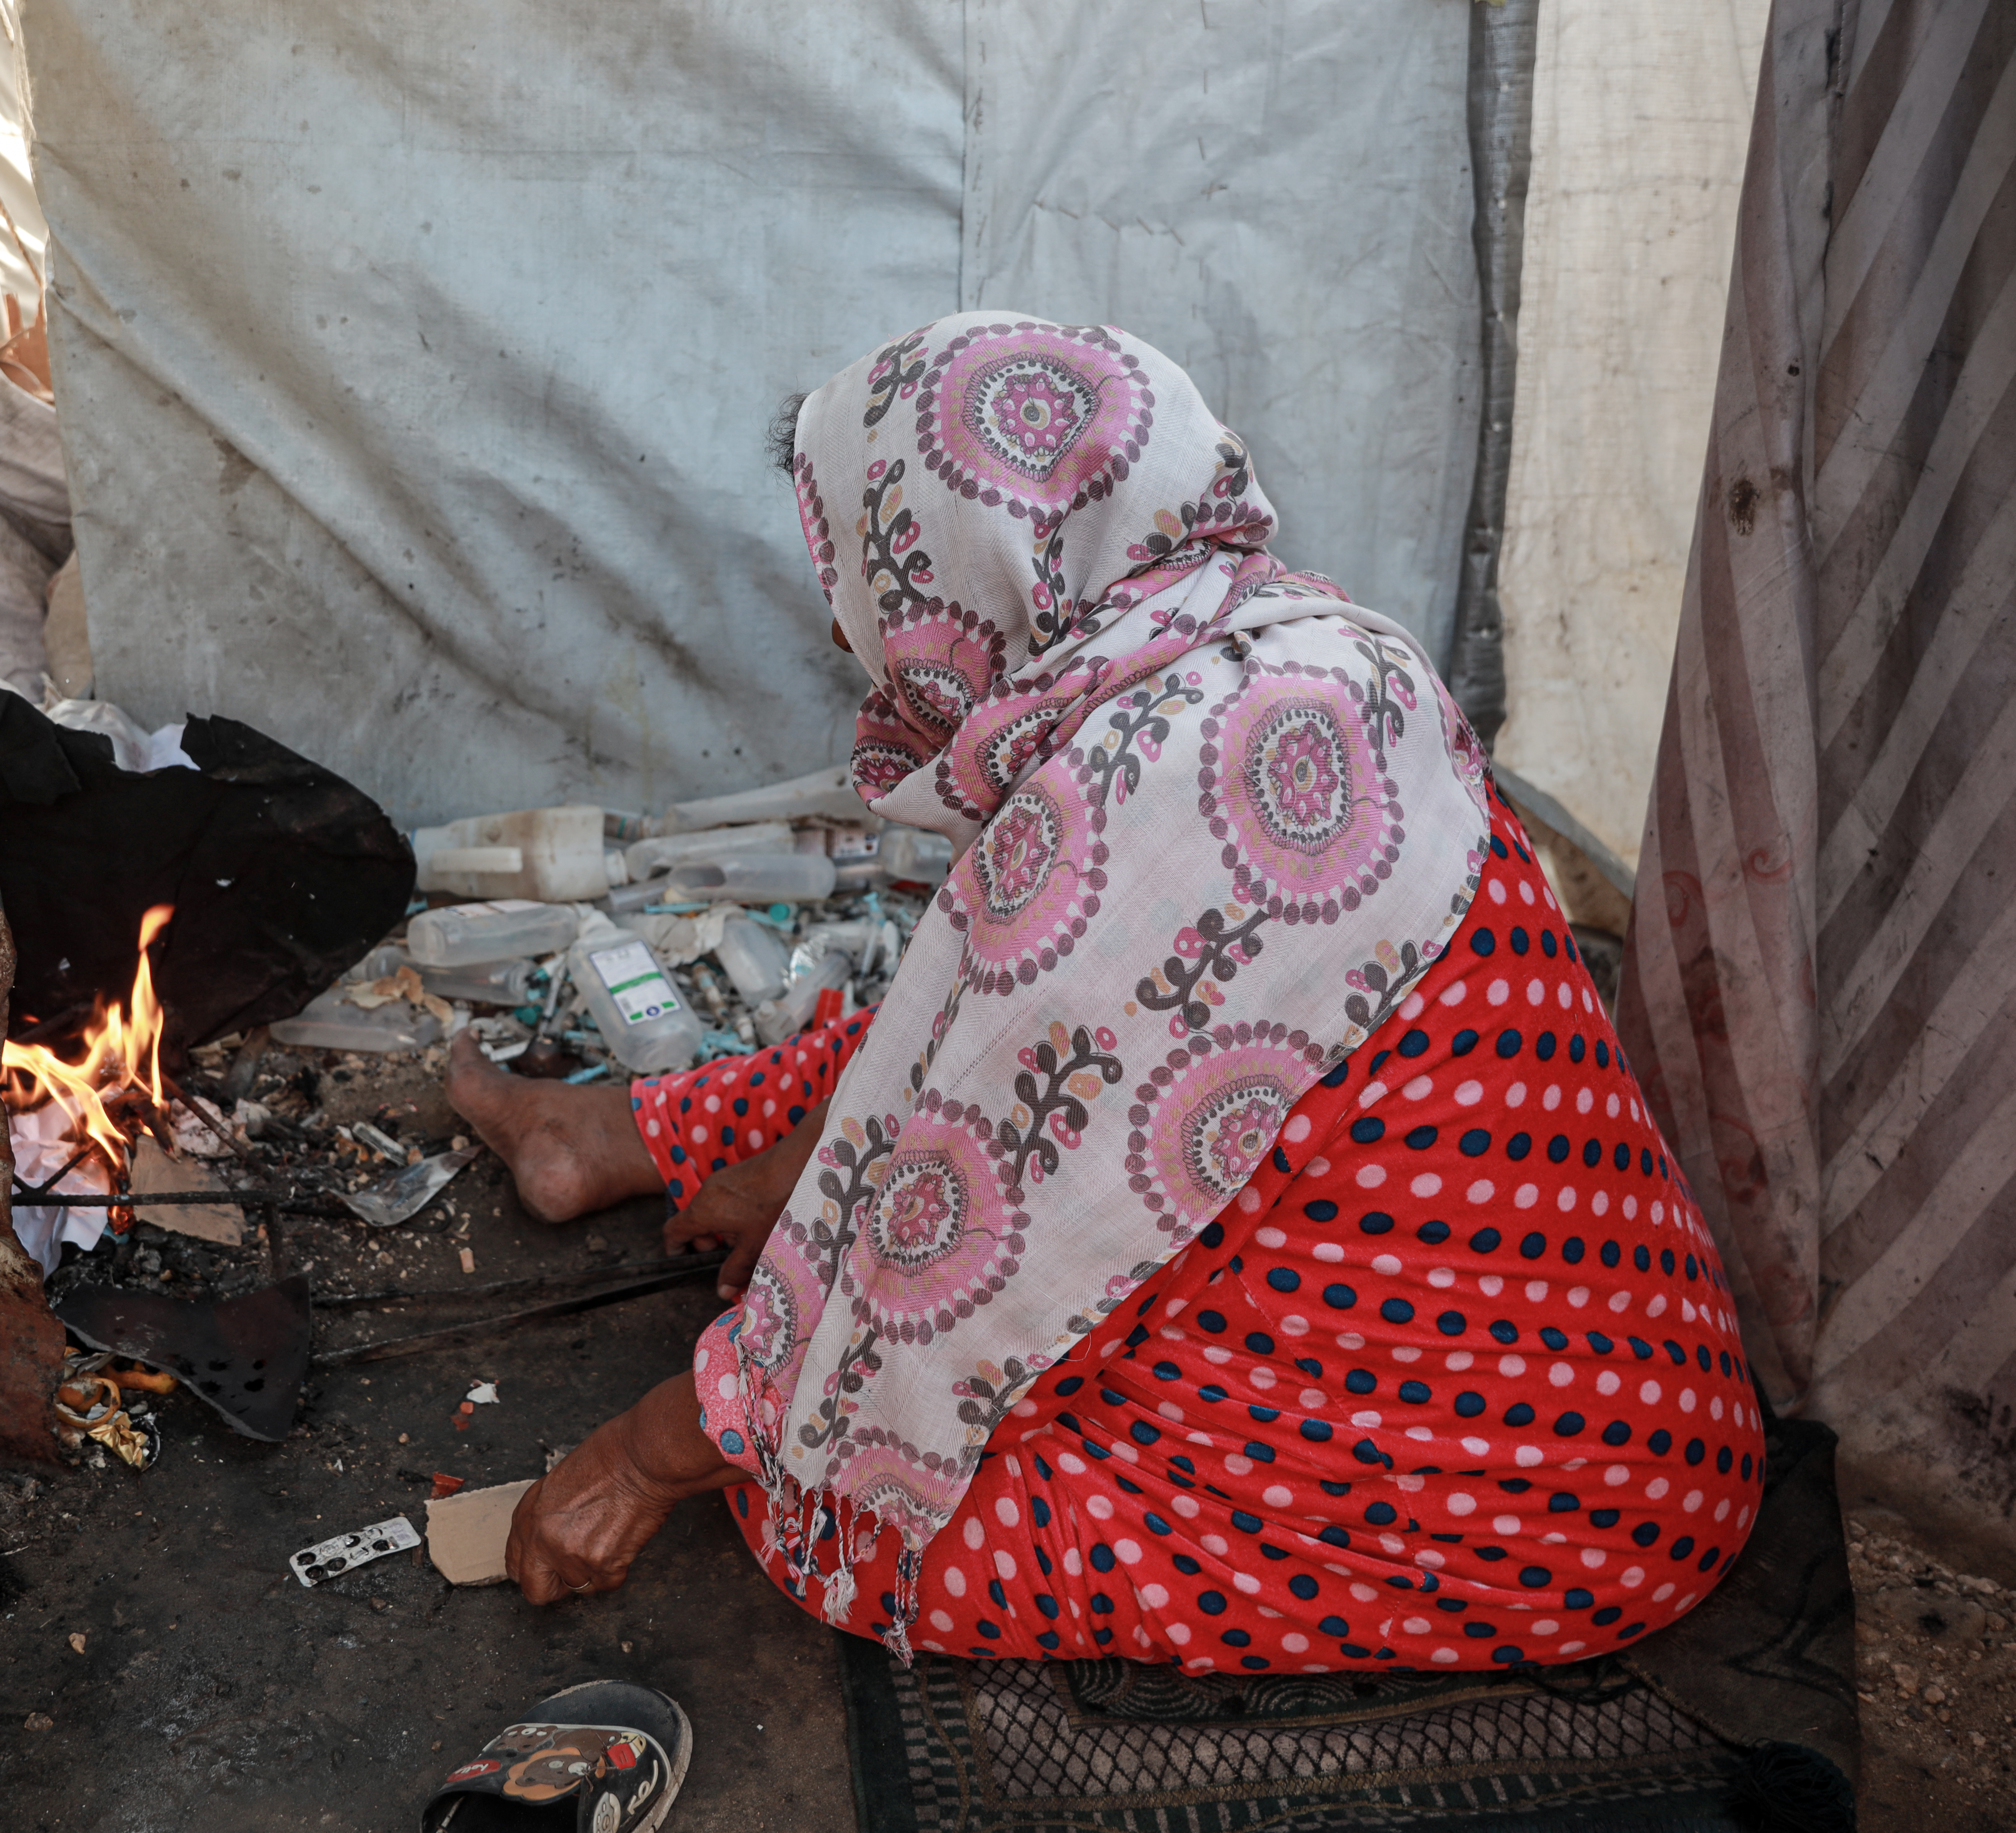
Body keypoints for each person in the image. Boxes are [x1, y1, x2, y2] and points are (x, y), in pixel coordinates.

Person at [448, 312, 1764, 1673]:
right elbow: (998, 1050)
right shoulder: (1316, 650)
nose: (854, 627)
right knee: (926, 1036)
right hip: (1636, 1392)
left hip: (1537, 1516)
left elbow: (964, 1237)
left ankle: (631, 1146)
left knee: (838, 1520)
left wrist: (646, 1455)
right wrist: (807, 1190)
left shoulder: (1156, 787)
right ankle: (612, 1137)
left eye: (860, 574)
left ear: (958, 558)